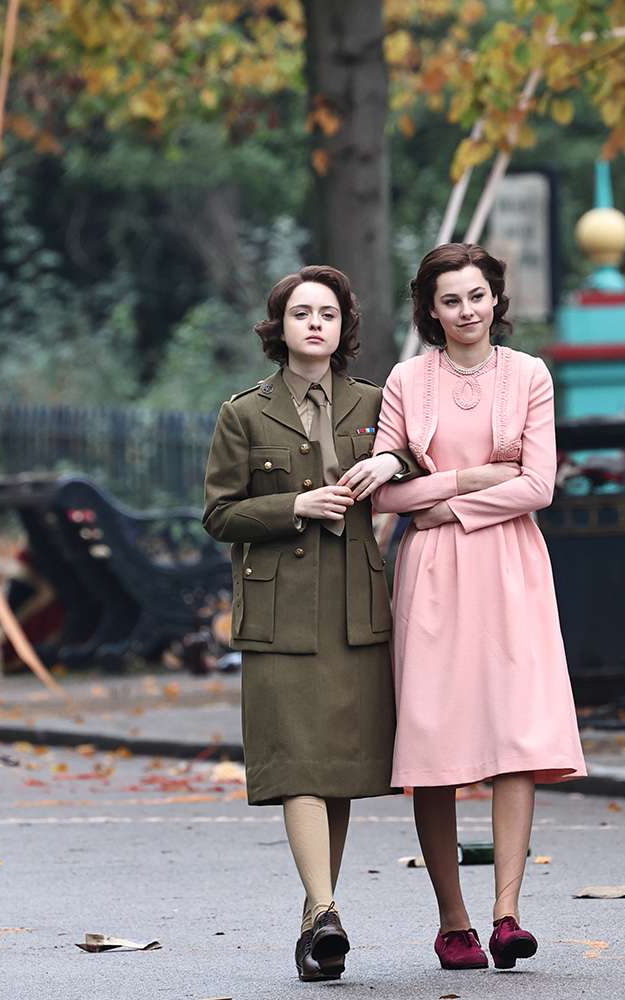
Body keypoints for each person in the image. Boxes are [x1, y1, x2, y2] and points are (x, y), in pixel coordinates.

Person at [202, 264, 420, 983]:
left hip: (355, 606)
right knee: (297, 758)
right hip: (279, 607)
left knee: (337, 770)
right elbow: (219, 514)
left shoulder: (376, 401)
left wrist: (388, 456)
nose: (315, 325)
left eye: (327, 313)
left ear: (343, 327)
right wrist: (294, 506)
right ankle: (326, 913)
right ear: (280, 328)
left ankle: (313, 917)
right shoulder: (244, 412)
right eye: (301, 314)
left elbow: (419, 456)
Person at [372, 243, 586, 971]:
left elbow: (538, 486)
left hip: (509, 566)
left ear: (497, 299)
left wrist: (452, 505)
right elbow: (386, 493)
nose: (466, 311)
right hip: (429, 574)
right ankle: (453, 920)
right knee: (434, 742)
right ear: (430, 310)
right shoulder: (406, 380)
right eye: (451, 300)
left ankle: (507, 914)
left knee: (514, 734)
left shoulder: (529, 375)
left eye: (477, 296)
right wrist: (472, 476)